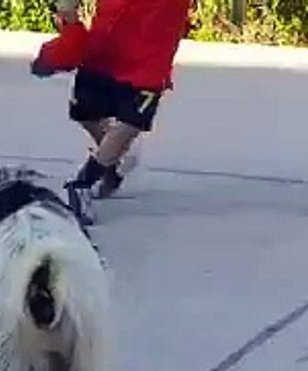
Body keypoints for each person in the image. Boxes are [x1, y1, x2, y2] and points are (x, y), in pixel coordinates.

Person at [31, 0, 192, 225]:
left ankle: (84, 183)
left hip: (149, 64)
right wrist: (67, 25)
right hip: (103, 54)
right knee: (84, 113)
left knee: (130, 124)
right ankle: (113, 160)